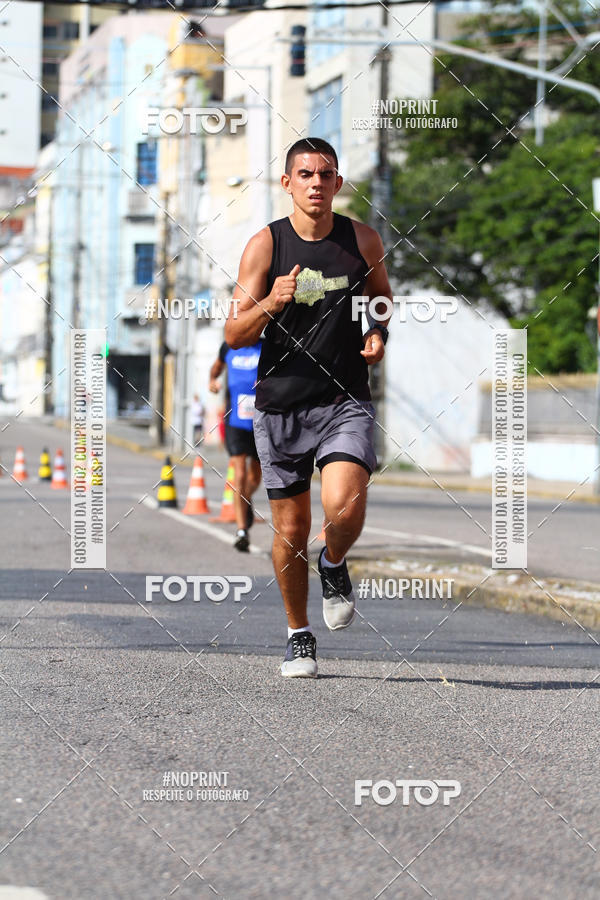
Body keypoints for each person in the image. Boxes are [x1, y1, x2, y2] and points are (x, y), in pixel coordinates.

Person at [224, 137, 392, 677]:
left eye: (326, 174)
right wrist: (271, 303)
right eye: (305, 174)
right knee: (290, 530)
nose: (316, 183)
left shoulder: (361, 240)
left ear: (338, 183)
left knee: (344, 505)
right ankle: (299, 634)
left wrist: (377, 330)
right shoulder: (265, 246)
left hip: (344, 398)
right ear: (288, 183)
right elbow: (233, 333)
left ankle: (335, 562)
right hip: (280, 406)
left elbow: (382, 296)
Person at [209, 339, 263, 552]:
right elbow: (215, 369)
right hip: (235, 420)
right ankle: (242, 530)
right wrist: (212, 381)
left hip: (262, 419)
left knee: (254, 477)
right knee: (239, 474)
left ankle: (245, 498)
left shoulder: (266, 345)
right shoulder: (228, 346)